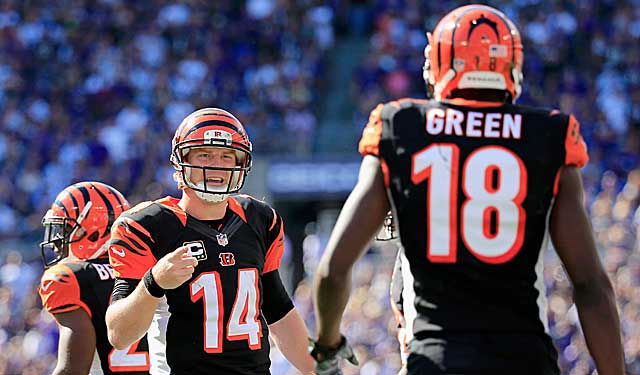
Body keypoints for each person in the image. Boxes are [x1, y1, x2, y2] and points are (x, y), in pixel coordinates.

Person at [310, 4, 625, 375]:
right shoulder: (549, 135)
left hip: (437, 361)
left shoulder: (401, 125)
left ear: (441, 62)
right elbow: (590, 285)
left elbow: (333, 269)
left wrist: (328, 343)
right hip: (525, 362)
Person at [105, 107, 315, 375]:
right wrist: (153, 283)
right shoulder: (146, 226)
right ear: (181, 161)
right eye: (205, 154)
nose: (217, 164)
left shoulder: (260, 220)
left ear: (241, 163)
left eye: (227, 156)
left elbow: (278, 311)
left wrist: (320, 369)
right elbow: (119, 335)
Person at [38, 181, 151, 375]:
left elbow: (72, 370)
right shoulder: (154, 270)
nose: (57, 243)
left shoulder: (71, 278)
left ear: (92, 233)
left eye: (64, 231)